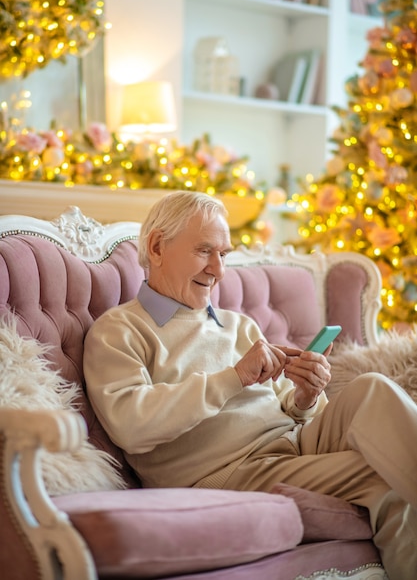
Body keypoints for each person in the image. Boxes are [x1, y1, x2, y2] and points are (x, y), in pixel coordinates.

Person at [84, 190, 417, 580]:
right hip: (227, 470)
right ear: (157, 247)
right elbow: (132, 424)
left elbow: (291, 411)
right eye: (204, 251)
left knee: (371, 387)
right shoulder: (120, 330)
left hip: (293, 444)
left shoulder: (238, 325)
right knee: (385, 483)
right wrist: (235, 377)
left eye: (223, 254)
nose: (218, 270)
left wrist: (307, 397)